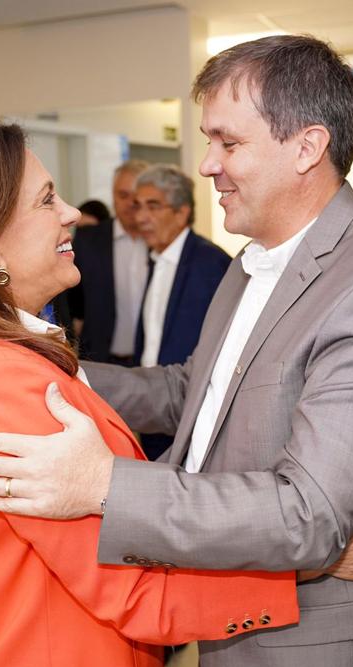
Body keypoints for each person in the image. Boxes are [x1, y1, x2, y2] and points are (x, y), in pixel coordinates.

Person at [0, 35, 353, 667]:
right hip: (225, 623)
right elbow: (195, 390)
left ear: (307, 147)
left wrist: (104, 486)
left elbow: (308, 515)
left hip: (317, 650)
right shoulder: (252, 261)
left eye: (229, 143)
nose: (209, 165)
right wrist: (49, 365)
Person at [132, 164, 231, 460]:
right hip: (153, 409)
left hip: (189, 411)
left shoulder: (210, 265)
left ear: (181, 212)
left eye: (153, 206)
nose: (140, 217)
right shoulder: (157, 260)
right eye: (137, 206)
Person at [68, 160, 151, 363]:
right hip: (100, 360)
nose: (131, 203)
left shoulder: (163, 242)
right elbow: (72, 302)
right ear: (113, 196)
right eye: (123, 195)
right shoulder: (87, 241)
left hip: (153, 362)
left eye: (137, 196)